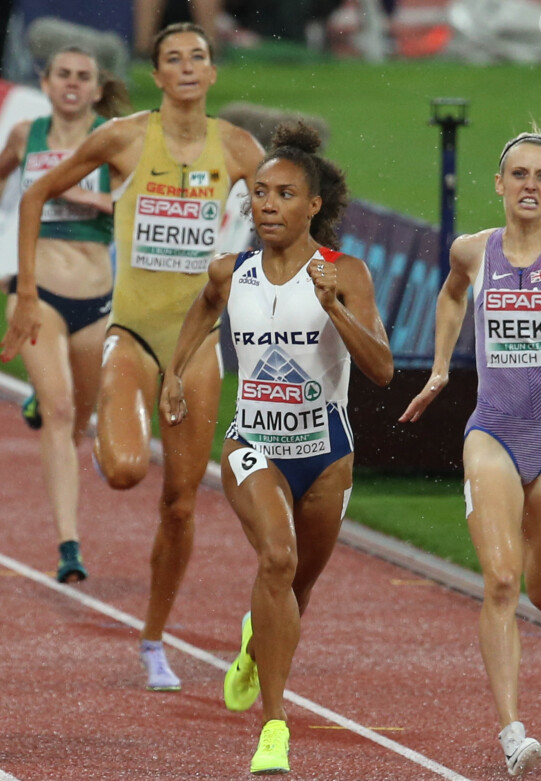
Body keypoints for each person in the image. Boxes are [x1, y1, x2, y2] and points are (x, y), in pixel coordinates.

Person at [1, 22, 264, 691]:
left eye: (196, 58)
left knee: (179, 504)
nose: (185, 67)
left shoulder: (236, 147)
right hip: (133, 332)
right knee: (122, 472)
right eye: (172, 58)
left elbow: (281, 218)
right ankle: (106, 434)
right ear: (156, 74)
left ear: (211, 74)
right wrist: (26, 291)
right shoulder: (123, 137)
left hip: (199, 344)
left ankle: (153, 639)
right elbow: (34, 194)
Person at [160, 120, 393, 775]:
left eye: (283, 194)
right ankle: (275, 728)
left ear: (313, 205)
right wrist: (177, 373)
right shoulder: (229, 272)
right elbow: (203, 310)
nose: (265, 205)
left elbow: (380, 370)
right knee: (278, 557)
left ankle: (254, 644)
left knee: (296, 585)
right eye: (258, 193)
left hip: (326, 456)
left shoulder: (344, 272)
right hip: (251, 445)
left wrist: (338, 310)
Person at [399, 130, 541, 777]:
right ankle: (512, 732)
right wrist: (443, 368)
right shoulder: (472, 251)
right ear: (499, 185)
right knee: (501, 579)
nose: (530, 184)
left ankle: (532, 531)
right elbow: (450, 294)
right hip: (493, 431)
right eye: (519, 174)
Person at [0, 45, 130, 582]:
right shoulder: (24, 137)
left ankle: (44, 398)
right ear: (46, 82)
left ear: (98, 89)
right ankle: (68, 545)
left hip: (97, 299)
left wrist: (90, 199)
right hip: (37, 295)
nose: (73, 83)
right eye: (63, 74)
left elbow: (144, 202)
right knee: (57, 413)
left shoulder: (115, 139)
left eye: (83, 76)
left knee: (78, 416)